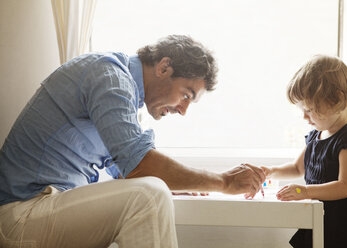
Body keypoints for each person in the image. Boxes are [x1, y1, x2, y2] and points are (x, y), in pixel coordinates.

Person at [0, 35, 265, 248]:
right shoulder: (110, 77)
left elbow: (128, 172)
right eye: (186, 95)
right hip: (21, 214)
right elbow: (140, 166)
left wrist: (179, 181)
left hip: (41, 208)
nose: (183, 110)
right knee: (149, 196)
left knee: (152, 190)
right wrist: (224, 182)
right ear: (163, 67)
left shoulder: (123, 97)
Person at [261, 55, 347, 248]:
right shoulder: (315, 135)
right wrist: (270, 171)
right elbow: (297, 169)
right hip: (320, 215)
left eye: (310, 109)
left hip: (346, 223)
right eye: (302, 110)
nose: (304, 116)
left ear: (337, 99)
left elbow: (346, 186)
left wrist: (304, 191)